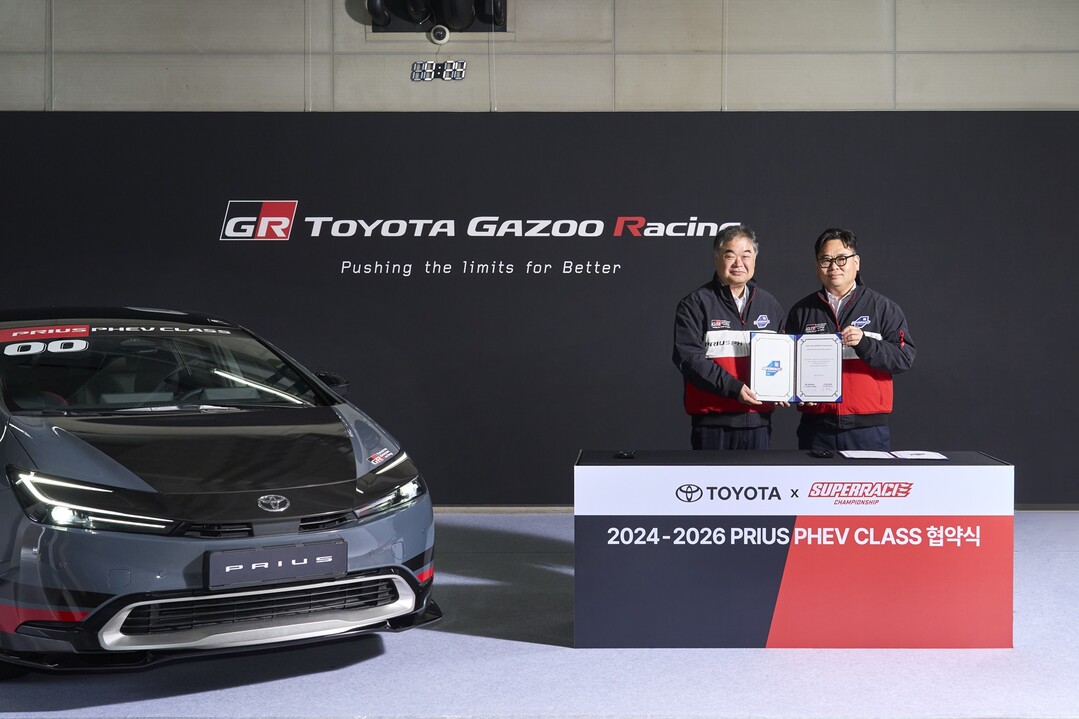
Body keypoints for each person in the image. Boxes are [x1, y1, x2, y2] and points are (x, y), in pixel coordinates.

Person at [785, 227, 916, 451]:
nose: (834, 266)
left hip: (867, 430)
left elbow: (904, 358)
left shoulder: (883, 308)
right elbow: (788, 366)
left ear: (856, 262)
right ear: (817, 266)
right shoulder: (801, 312)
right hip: (816, 427)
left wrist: (865, 343)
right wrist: (796, 392)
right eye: (826, 260)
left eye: (841, 259)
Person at [673, 224, 786, 450]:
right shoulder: (695, 304)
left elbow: (786, 354)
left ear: (755, 259)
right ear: (717, 258)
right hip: (713, 424)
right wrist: (734, 388)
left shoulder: (769, 304)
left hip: (758, 423)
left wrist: (789, 385)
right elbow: (689, 359)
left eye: (746, 255)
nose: (738, 263)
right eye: (730, 255)